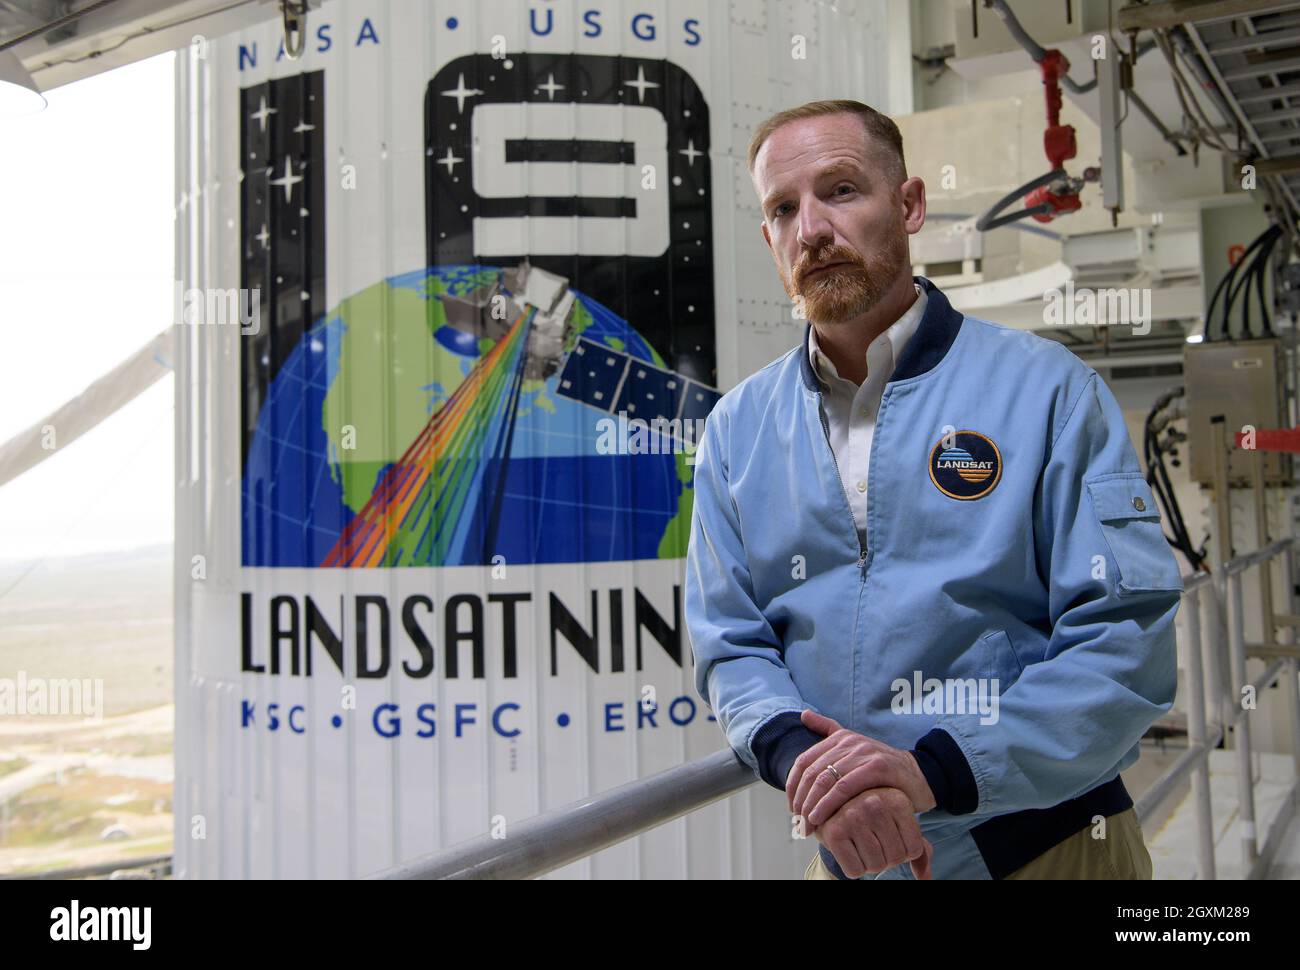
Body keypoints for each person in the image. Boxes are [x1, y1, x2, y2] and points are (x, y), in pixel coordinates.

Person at [684, 99, 1181, 880]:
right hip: (855, 856)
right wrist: (803, 762)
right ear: (769, 238)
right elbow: (730, 640)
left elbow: (1126, 638)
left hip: (1047, 848)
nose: (811, 228)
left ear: (908, 204)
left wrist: (936, 773)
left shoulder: (1046, 392)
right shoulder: (738, 431)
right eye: (784, 208)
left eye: (841, 191)